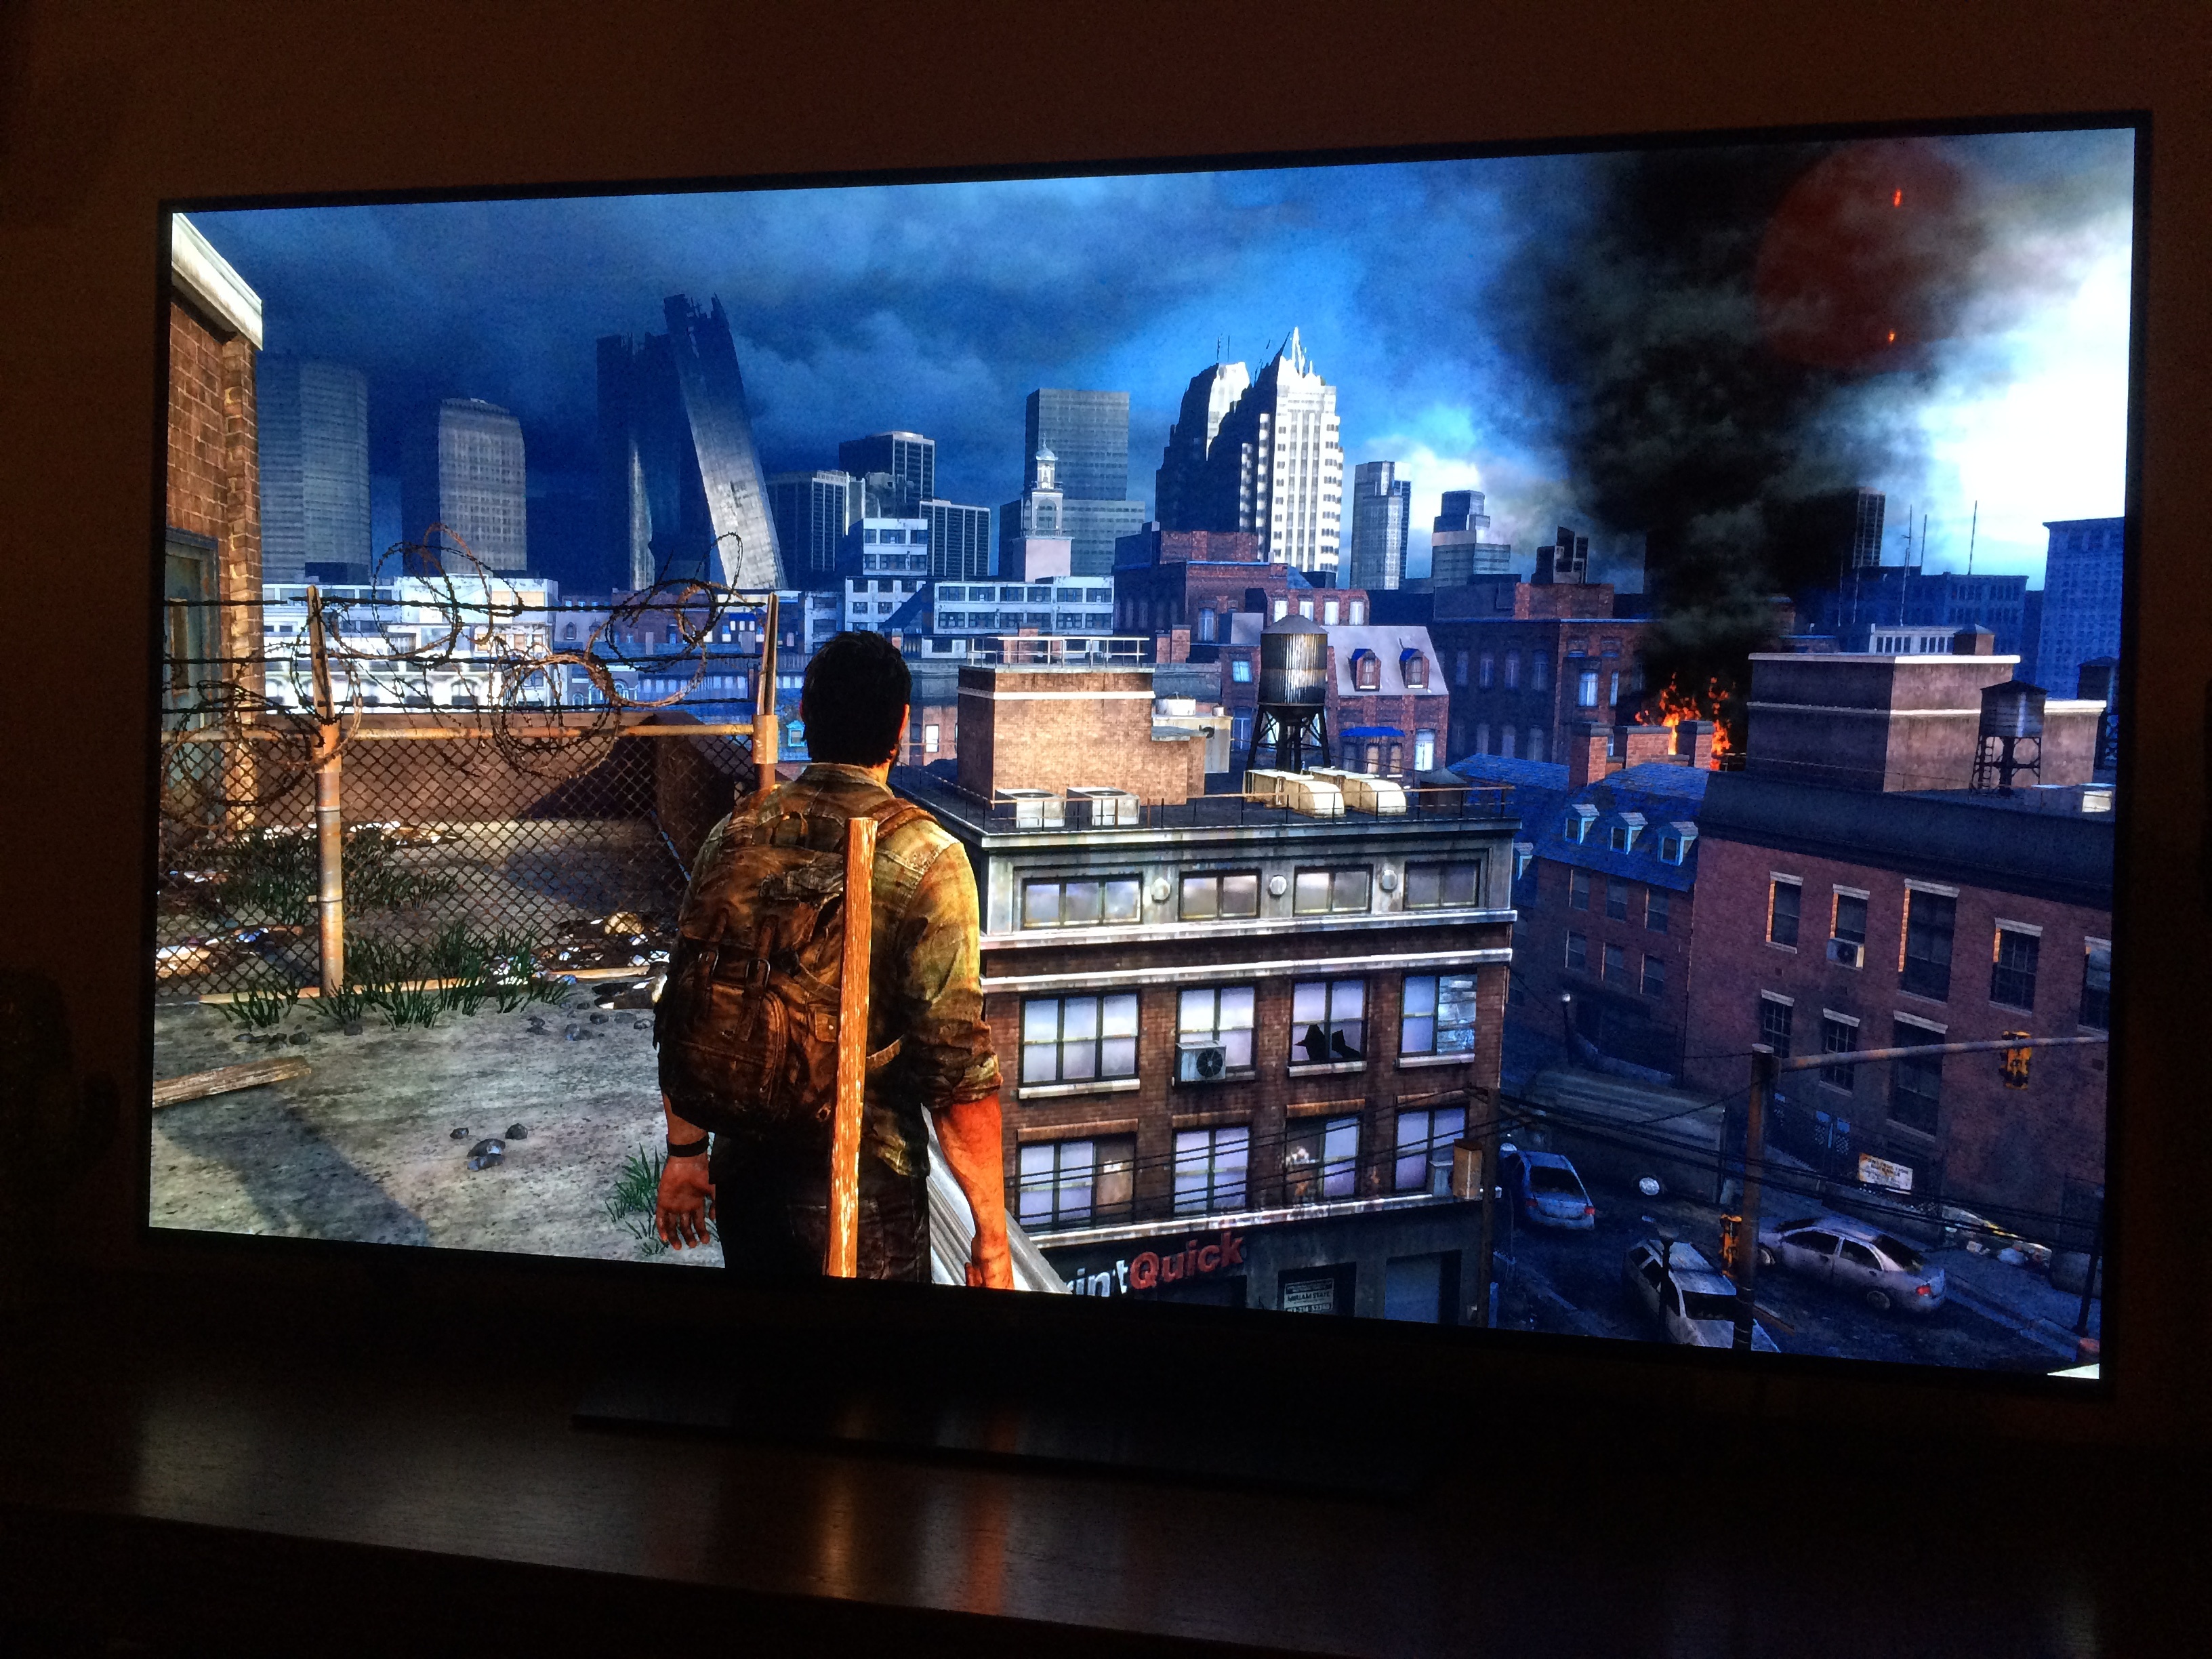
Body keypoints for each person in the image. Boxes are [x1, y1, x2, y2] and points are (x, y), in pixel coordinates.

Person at [651, 630, 1010, 1287]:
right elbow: (958, 1074)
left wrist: (685, 1151)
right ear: (902, 726)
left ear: (805, 718)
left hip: (743, 1170)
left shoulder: (735, 832)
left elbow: (690, 1000)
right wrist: (991, 1239)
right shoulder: (927, 857)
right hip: (863, 1188)